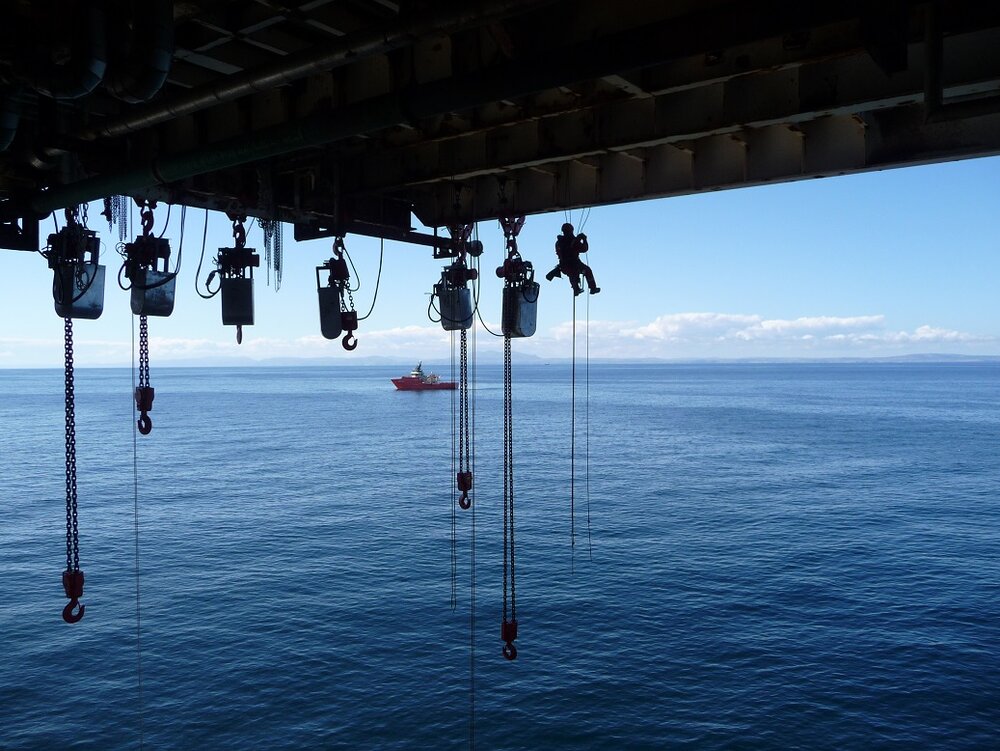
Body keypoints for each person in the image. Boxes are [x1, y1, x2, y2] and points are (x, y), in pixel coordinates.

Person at [545, 223, 600, 295]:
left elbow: (560, 252)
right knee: (587, 270)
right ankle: (592, 288)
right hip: (573, 264)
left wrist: (577, 239)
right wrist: (584, 239)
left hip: (564, 266)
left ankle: (576, 289)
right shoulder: (573, 241)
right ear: (571, 231)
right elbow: (584, 248)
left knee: (572, 274)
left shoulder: (559, 242)